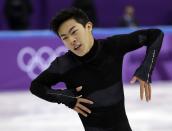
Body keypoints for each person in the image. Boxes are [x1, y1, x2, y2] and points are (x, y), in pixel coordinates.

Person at [30, 8, 164, 131]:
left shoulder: (112, 47)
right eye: (65, 38)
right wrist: (65, 97)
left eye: (74, 32)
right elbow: (36, 86)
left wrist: (146, 67)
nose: (71, 40)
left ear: (88, 27)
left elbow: (155, 35)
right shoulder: (63, 64)